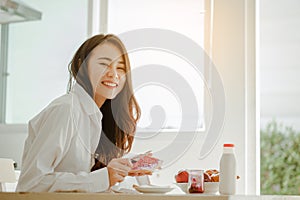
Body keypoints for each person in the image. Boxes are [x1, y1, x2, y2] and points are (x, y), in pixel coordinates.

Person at [16, 34, 143, 192]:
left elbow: (84, 182)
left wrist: (120, 174)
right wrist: (104, 178)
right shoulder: (66, 110)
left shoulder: (97, 118)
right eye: (104, 64)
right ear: (81, 65)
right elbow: (31, 184)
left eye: (120, 68)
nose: (114, 73)